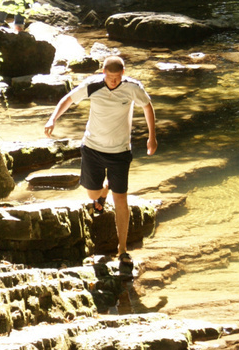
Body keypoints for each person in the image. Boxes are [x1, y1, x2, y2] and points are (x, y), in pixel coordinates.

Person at [44, 55, 157, 267]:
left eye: (117, 77)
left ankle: (122, 249)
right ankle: (103, 191)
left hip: (120, 151)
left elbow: (147, 107)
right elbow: (67, 99)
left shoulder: (133, 88)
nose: (113, 81)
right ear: (103, 73)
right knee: (92, 195)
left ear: (122, 74)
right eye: (109, 77)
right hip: (92, 148)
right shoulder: (92, 85)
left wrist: (152, 137)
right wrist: (53, 118)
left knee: (121, 200)